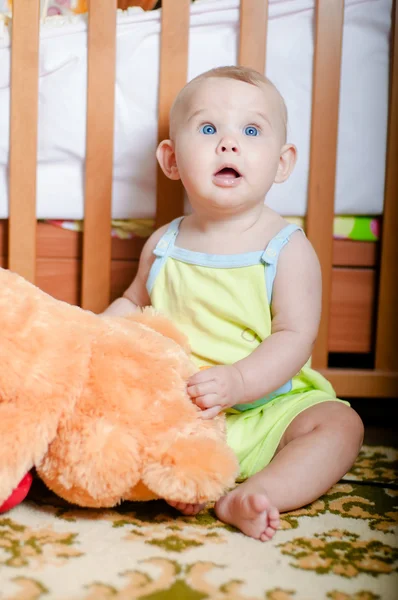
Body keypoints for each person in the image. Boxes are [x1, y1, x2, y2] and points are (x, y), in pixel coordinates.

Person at [103, 66, 364, 542]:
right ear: (171, 159)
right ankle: (180, 475)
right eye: (208, 129)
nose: (228, 144)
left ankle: (255, 493)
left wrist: (240, 381)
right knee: (114, 416)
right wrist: (91, 335)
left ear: (282, 162)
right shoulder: (164, 244)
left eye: (250, 130)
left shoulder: (286, 248)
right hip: (184, 409)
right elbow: (132, 304)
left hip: (265, 407)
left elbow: (295, 336)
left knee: (339, 424)